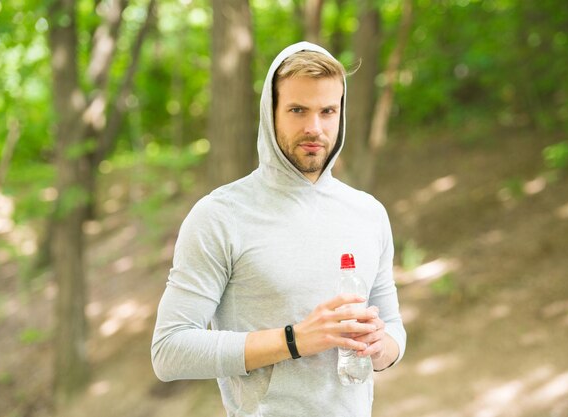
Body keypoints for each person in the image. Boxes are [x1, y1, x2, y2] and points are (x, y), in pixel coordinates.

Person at [151, 41, 406, 417]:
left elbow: (394, 329)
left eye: (327, 111)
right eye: (297, 110)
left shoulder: (368, 213)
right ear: (270, 113)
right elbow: (170, 351)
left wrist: (379, 346)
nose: (314, 127)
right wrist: (294, 340)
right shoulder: (220, 216)